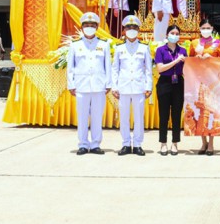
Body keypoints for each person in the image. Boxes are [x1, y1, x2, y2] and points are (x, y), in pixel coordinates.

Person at [66, 12, 111, 155]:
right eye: (86, 25)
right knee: (82, 117)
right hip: (81, 86)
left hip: (99, 86)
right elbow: (70, 67)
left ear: (97, 27)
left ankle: (96, 144)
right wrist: (71, 84)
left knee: (97, 117)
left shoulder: (103, 44)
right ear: (82, 27)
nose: (89, 27)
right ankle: (83, 144)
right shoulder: (75, 45)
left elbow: (107, 66)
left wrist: (108, 84)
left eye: (92, 25)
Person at [112, 15, 153, 157]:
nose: (131, 30)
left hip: (139, 87)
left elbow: (148, 69)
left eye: (134, 27)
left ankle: (137, 144)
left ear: (138, 30)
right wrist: (114, 87)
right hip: (123, 87)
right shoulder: (119, 48)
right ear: (124, 30)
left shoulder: (144, 47)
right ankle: (125, 144)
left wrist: (148, 87)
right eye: (128, 27)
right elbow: (115, 69)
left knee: (139, 117)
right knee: (124, 117)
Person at [190, 18, 220, 155]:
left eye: (208, 28)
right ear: (199, 29)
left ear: (212, 29)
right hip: (198, 81)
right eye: (203, 28)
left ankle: (211, 144)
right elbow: (189, 61)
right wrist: (197, 57)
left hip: (213, 82)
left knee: (211, 112)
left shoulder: (218, 43)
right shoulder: (194, 43)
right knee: (199, 111)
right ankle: (203, 142)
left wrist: (211, 58)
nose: (205, 30)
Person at [154, 24, 186, 157]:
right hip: (164, 83)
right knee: (164, 114)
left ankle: (175, 143)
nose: (175, 36)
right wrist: (176, 61)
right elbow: (160, 68)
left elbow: (186, 69)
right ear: (167, 35)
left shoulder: (183, 50)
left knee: (177, 114)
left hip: (178, 82)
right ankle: (163, 143)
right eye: (172, 33)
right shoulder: (161, 50)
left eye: (177, 34)